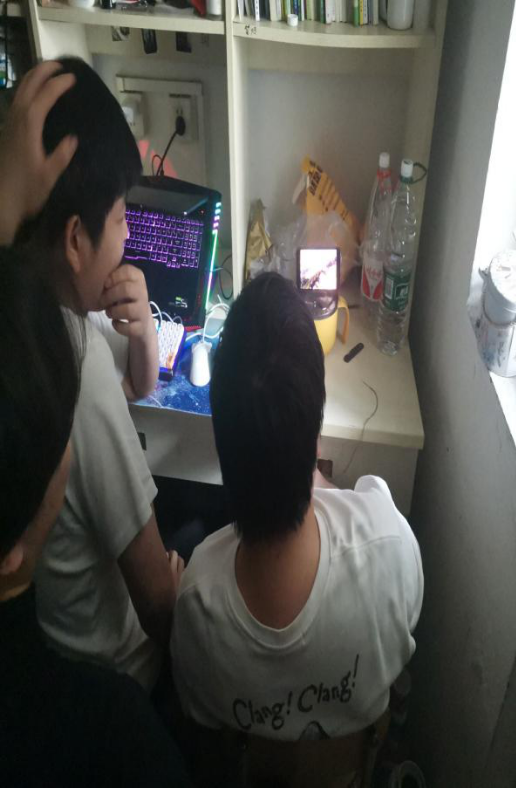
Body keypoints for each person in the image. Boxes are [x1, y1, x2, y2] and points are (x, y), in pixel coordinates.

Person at [0, 63, 190, 787]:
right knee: (204, 542)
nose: (129, 235)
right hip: (116, 669)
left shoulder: (33, 314)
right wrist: (183, 594)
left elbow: (138, 384)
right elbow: (157, 601)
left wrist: (143, 340)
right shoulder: (73, 364)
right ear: (76, 239)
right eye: (121, 219)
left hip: (49, 632)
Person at [171, 272, 424, 741]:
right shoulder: (389, 544)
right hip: (351, 767)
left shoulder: (197, 601)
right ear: (316, 433)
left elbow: (202, 717)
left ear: (222, 447)